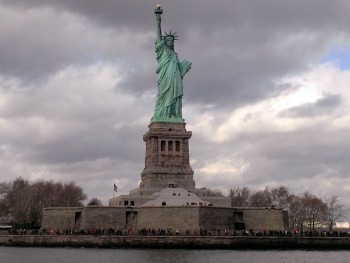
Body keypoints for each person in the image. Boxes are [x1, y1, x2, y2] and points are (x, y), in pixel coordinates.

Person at [152, 6, 191, 123]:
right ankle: (163, 114)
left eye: (172, 41)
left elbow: (180, 70)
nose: (171, 42)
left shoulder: (175, 55)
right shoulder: (162, 50)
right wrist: (158, 20)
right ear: (165, 42)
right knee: (163, 95)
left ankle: (173, 114)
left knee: (175, 95)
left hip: (175, 79)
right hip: (165, 77)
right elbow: (158, 37)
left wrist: (185, 68)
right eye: (168, 40)